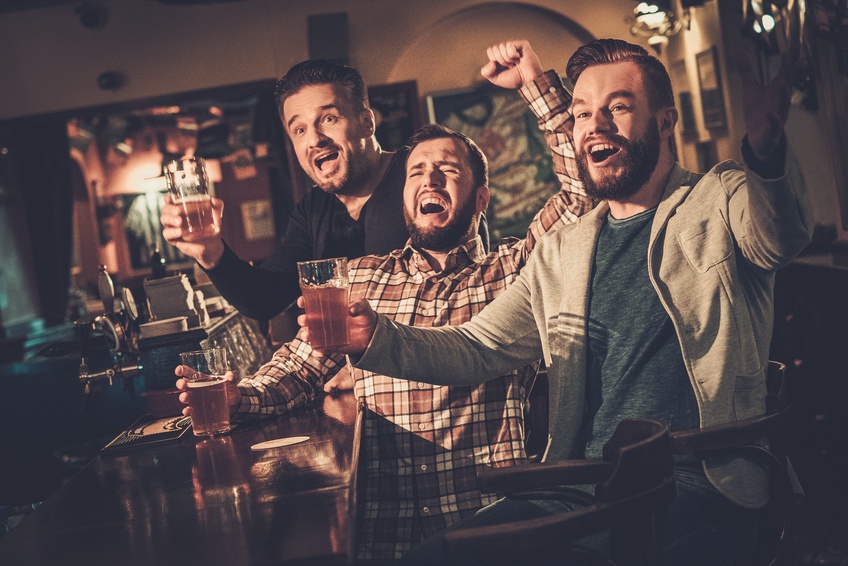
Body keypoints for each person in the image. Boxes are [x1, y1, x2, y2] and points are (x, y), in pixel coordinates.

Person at [314, 38, 812, 565]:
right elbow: (476, 347)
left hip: (698, 486)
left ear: (665, 122)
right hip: (581, 485)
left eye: (617, 107)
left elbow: (778, 236)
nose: (595, 125)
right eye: (581, 114)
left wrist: (765, 149)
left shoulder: (721, 196)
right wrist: (375, 339)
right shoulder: (563, 249)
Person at [175, 121, 593, 564]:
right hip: (387, 530)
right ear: (404, 198)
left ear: (481, 199)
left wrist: (535, 86)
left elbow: (581, 194)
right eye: (416, 172)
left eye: (447, 170)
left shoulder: (515, 268)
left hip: (489, 525)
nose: (429, 179)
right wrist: (237, 398)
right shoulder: (358, 277)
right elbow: (295, 372)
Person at [161, 60, 413, 321]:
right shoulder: (313, 209)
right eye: (300, 130)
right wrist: (210, 252)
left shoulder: (419, 177)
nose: (315, 140)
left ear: (366, 123)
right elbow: (265, 299)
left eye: (328, 119)